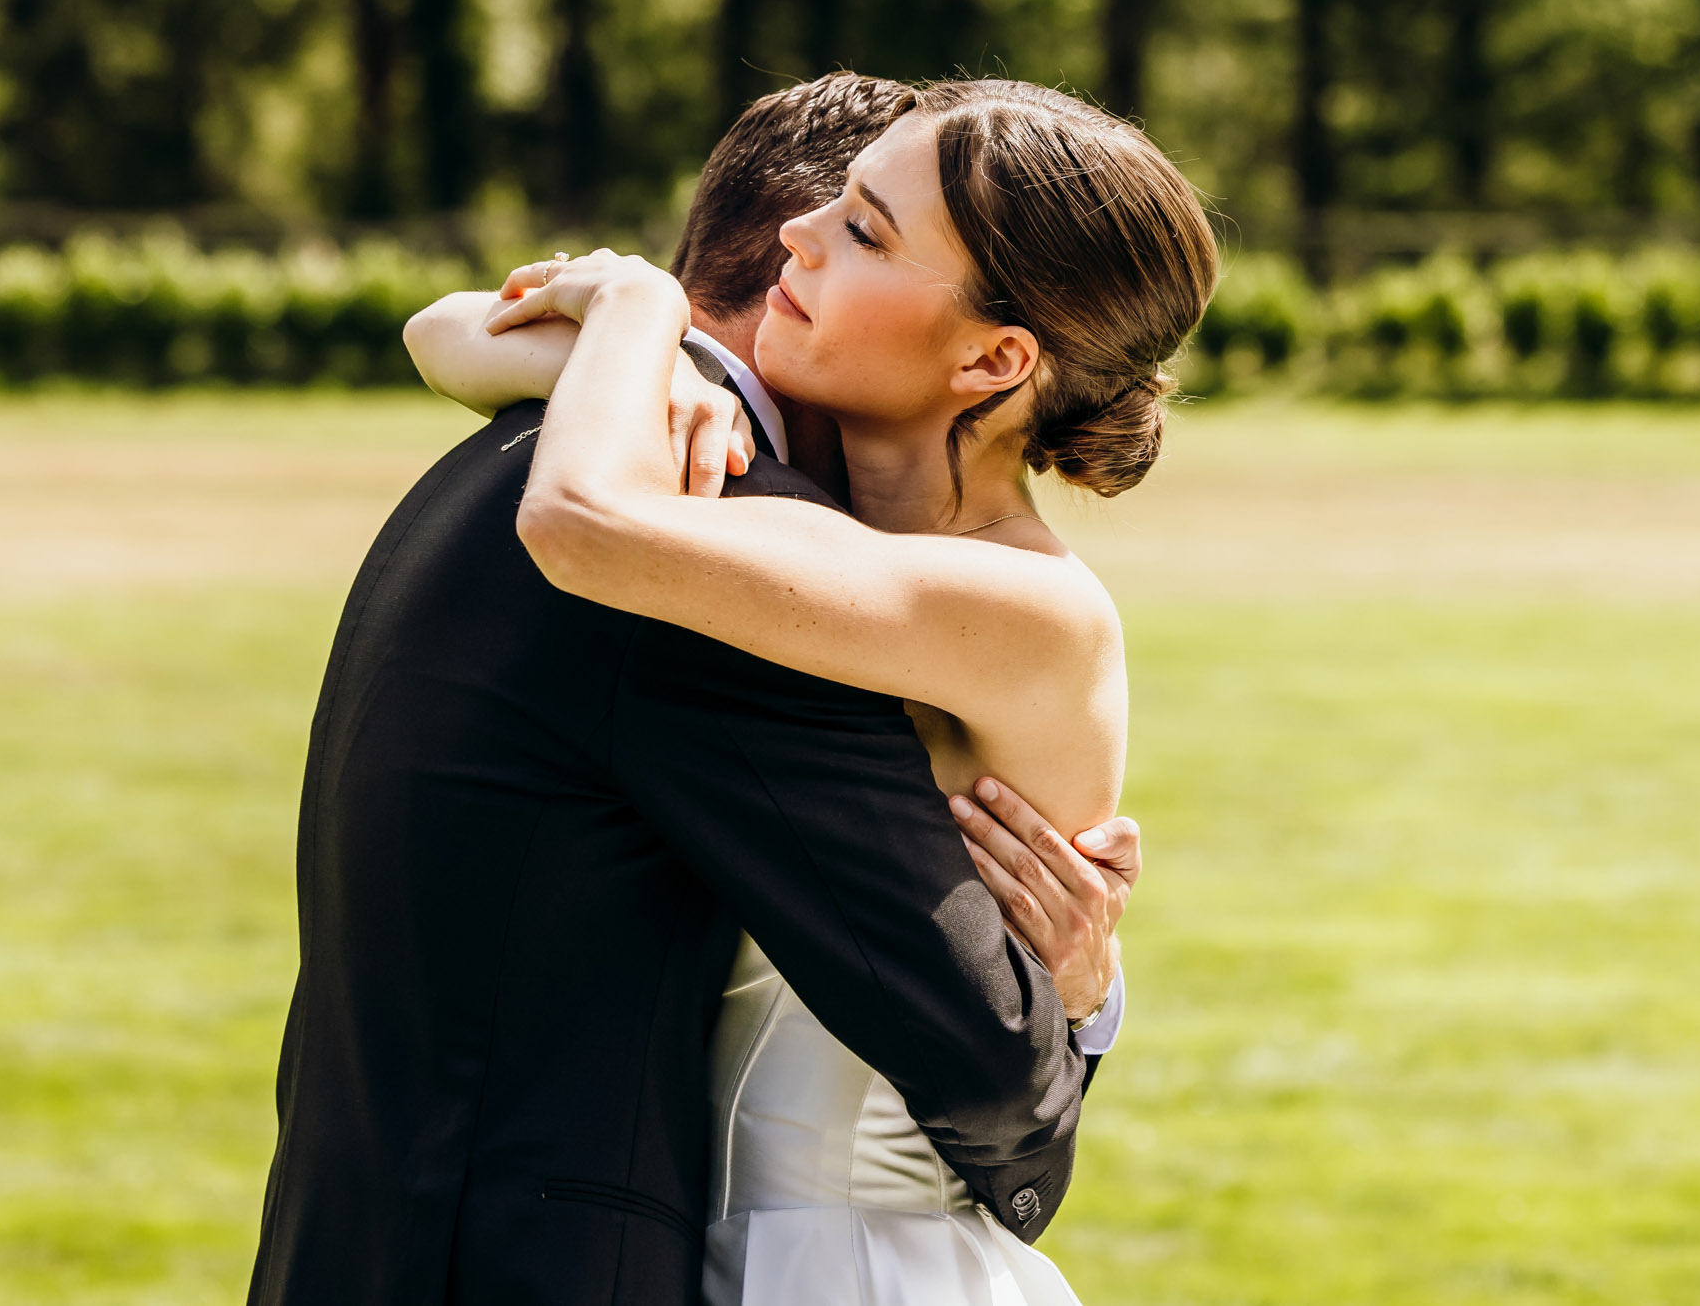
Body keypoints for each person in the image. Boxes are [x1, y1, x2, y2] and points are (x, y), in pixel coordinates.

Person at [248, 74, 1137, 1306]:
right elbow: (992, 1058)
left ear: (993, 353)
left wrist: (622, 313)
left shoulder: (524, 459)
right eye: (838, 212)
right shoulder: (698, 524)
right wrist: (1083, 1004)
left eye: (866, 229)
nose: (807, 243)